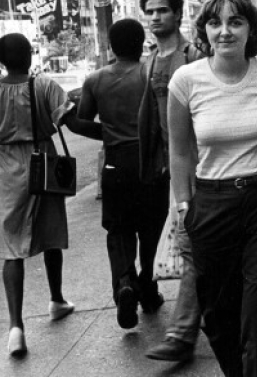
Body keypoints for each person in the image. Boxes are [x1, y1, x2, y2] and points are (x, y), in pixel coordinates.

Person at [167, 0, 257, 377]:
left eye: (235, 22)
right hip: (209, 205)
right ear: (204, 29)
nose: (224, 31)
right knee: (219, 321)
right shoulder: (185, 80)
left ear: (250, 28)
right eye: (215, 22)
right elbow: (179, 151)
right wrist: (183, 209)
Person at [0, 33, 97, 357]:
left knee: (11, 247)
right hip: (43, 163)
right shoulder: (44, 86)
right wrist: (112, 133)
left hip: (5, 170)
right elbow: (75, 123)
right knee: (50, 232)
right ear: (30, 55)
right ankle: (56, 299)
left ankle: (16, 326)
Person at [76, 19, 168, 329]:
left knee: (119, 230)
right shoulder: (149, 74)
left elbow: (84, 123)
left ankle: (125, 280)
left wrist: (106, 130)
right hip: (149, 162)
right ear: (142, 42)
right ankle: (148, 285)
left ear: (112, 46)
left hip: (115, 164)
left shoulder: (95, 80)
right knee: (151, 227)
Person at [138, 0, 204, 362]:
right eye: (149, 11)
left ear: (178, 15)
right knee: (194, 243)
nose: (154, 17)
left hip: (201, 163)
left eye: (162, 10)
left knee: (191, 244)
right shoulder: (150, 61)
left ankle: (182, 332)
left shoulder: (191, 55)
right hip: (172, 167)